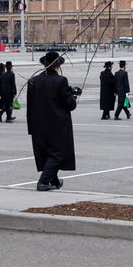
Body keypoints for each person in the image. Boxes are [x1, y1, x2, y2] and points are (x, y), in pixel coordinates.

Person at [27, 51, 78, 191]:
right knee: (58, 154)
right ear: (57, 66)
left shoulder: (34, 80)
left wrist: (30, 127)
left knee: (47, 153)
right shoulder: (61, 81)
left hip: (38, 124)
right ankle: (43, 182)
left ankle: (53, 181)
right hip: (57, 125)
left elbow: (30, 106)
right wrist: (73, 95)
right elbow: (70, 105)